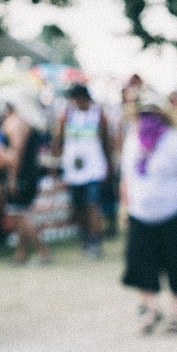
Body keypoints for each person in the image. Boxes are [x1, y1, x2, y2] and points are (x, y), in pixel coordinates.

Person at [119, 97, 177, 334]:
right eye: (143, 113)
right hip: (141, 214)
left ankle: (176, 315)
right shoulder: (132, 140)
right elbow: (127, 177)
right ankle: (151, 310)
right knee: (140, 264)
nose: (148, 119)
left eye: (152, 113)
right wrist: (125, 207)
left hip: (174, 213)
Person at [53, 82, 113, 258]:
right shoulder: (67, 115)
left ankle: (95, 240)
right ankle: (85, 237)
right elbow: (59, 138)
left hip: (94, 168)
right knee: (78, 207)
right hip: (73, 169)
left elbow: (106, 141)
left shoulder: (98, 114)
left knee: (92, 204)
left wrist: (108, 164)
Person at [0, 91, 53, 264]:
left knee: (19, 215)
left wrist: (12, 178)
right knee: (19, 213)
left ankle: (43, 252)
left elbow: (16, 154)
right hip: (29, 173)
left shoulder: (14, 123)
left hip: (21, 175)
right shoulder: (27, 122)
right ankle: (21, 254)